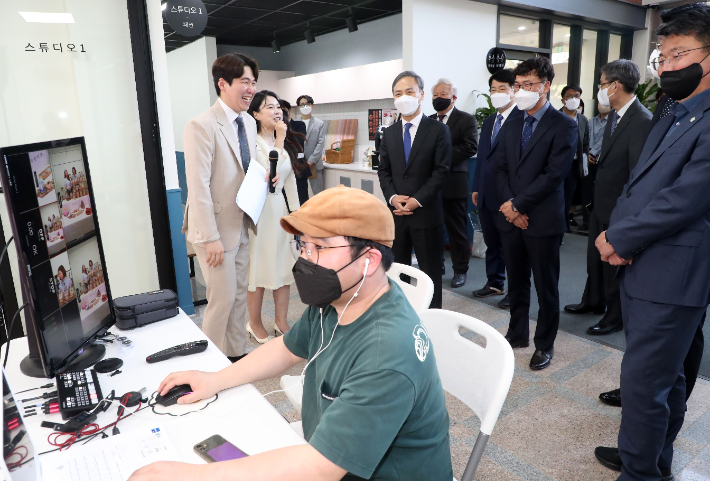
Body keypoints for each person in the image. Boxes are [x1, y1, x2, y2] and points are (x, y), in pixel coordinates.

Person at [130, 186, 453, 481]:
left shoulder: (387, 351)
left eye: (321, 247)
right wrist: (216, 378)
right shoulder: (341, 296)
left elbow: (321, 467)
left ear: (369, 260)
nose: (305, 259)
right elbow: (287, 347)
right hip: (331, 452)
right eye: (303, 245)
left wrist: (188, 477)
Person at [591, 4, 710, 479]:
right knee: (665, 377)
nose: (669, 66)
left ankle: (640, 472)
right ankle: (651, 456)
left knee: (645, 384)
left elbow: (686, 198)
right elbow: (641, 182)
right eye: (663, 57)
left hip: (673, 274)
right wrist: (617, 235)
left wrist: (619, 236)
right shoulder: (673, 110)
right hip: (644, 263)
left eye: (679, 53)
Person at [182, 53, 273, 362]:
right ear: (223, 83)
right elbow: (199, 187)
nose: (250, 89)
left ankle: (234, 358)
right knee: (221, 300)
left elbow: (244, 169)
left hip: (241, 223)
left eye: (254, 82)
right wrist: (210, 238)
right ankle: (208, 366)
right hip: (214, 232)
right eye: (244, 82)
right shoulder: (202, 125)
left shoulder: (247, 121)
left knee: (238, 299)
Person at [494, 57, 577, 370]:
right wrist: (509, 206)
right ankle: (517, 333)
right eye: (518, 85)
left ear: (546, 86)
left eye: (528, 84)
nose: (521, 91)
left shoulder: (564, 125)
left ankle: (545, 343)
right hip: (512, 217)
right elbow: (499, 167)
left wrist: (518, 205)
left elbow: (554, 175)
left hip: (542, 219)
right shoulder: (513, 121)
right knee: (516, 280)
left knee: (546, 285)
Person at [564, 60, 652, 337]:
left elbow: (637, 173)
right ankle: (593, 300)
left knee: (613, 264)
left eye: (602, 83)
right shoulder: (615, 115)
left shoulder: (642, 120)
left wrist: (626, 213)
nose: (599, 89)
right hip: (600, 202)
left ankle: (615, 316)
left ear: (615, 85)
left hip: (620, 207)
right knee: (594, 259)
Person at [377, 71, 452, 309]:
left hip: (426, 213)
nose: (404, 97)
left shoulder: (438, 130)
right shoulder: (388, 133)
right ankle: (401, 318)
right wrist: (392, 198)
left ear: (421, 95)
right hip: (397, 215)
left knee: (430, 275)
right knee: (397, 272)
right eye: (398, 93)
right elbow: (384, 170)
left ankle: (433, 321)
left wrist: (416, 200)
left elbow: (441, 171)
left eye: (409, 92)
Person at [245, 90, 303, 342]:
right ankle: (254, 323)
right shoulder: (252, 142)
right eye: (269, 107)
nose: (277, 111)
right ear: (256, 114)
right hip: (260, 212)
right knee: (257, 271)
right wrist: (279, 139)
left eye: (278, 106)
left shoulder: (285, 142)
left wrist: (298, 217)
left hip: (280, 213)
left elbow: (288, 182)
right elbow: (271, 173)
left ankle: (281, 320)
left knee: (283, 267)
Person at [471, 69, 521, 310]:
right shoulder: (491, 120)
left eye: (503, 89)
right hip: (486, 193)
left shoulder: (522, 118)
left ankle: (516, 290)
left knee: (511, 245)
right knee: (492, 241)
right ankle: (495, 281)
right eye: (493, 89)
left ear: (514, 90)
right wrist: (476, 186)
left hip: (508, 195)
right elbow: (482, 157)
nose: (497, 94)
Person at [429, 78, 479, 288]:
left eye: (443, 94)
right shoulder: (429, 120)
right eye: (435, 95)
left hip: (454, 182)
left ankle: (460, 270)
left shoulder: (466, 119)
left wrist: (441, 155)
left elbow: (470, 148)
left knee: (456, 229)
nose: (439, 98)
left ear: (454, 97)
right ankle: (436, 265)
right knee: (433, 227)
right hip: (430, 184)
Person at [559, 85, 589, 231]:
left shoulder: (583, 120)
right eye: (569, 96)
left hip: (574, 165)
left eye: (576, 96)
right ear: (563, 100)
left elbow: (586, 143)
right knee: (556, 196)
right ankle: (555, 225)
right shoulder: (554, 117)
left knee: (569, 197)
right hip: (557, 164)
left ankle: (564, 226)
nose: (573, 99)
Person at [281, 99, 310, 206]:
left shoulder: (299, 124)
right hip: (283, 170)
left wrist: (284, 125)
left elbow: (298, 143)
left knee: (302, 201)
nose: (280, 113)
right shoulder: (274, 128)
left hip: (299, 168)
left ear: (288, 111)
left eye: (282, 110)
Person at [297, 95, 327, 195]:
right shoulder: (294, 124)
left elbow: (320, 143)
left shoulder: (320, 123)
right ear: (298, 107)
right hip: (298, 165)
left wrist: (311, 161)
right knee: (301, 194)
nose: (305, 107)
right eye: (302, 105)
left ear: (312, 106)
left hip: (314, 164)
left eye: (307, 104)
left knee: (318, 195)